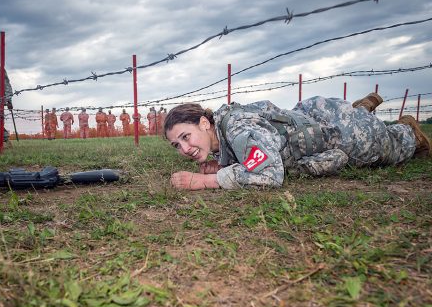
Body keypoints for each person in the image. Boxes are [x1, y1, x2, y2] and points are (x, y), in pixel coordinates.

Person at [164, 93, 430, 190]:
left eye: (185, 137)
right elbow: (252, 153)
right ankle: (358, 110)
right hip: (314, 114)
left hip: (338, 137)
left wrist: (205, 181)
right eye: (177, 144)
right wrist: (222, 167)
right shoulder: (224, 130)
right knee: (355, 122)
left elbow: (269, 174)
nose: (185, 149)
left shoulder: (237, 128)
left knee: (389, 148)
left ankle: (406, 130)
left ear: (203, 123)